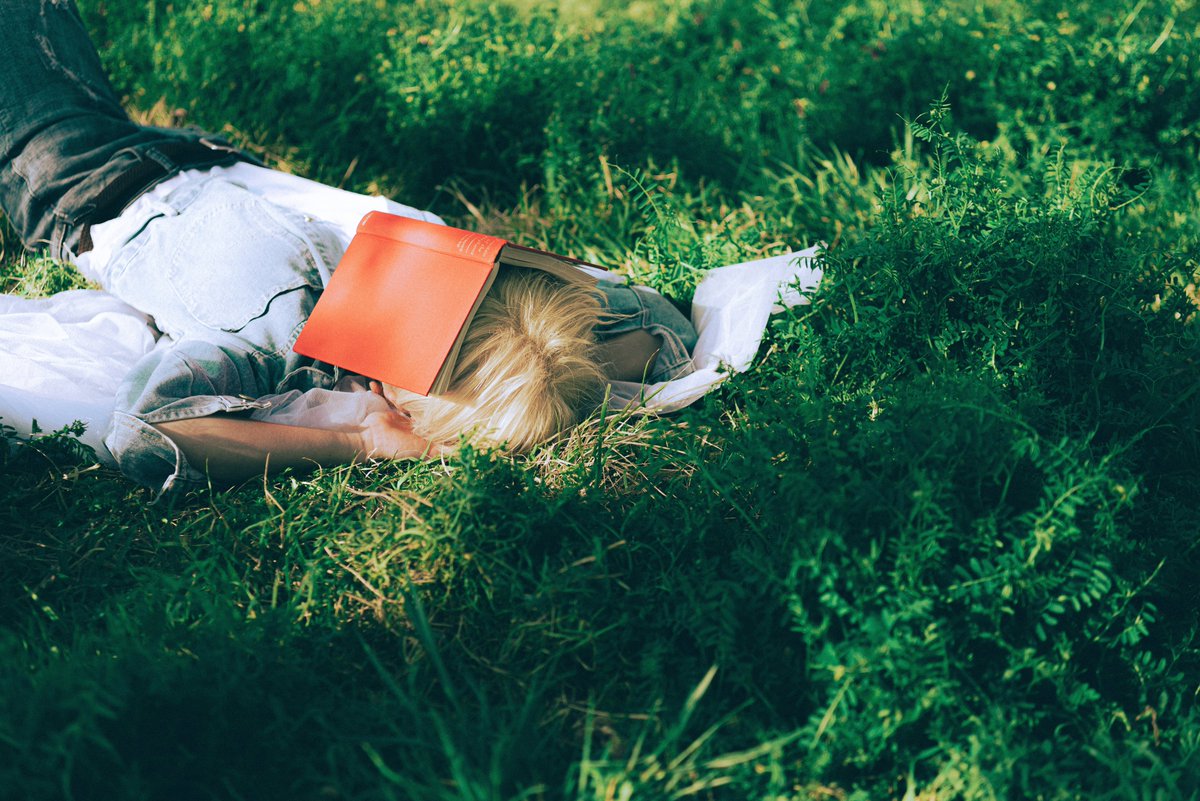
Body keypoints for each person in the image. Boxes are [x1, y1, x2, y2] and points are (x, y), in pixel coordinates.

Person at [0, 0, 698, 496]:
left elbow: (145, 430)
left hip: (70, 176)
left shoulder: (276, 337)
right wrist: (537, 381)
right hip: (189, 159)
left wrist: (362, 440)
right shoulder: (418, 312)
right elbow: (661, 319)